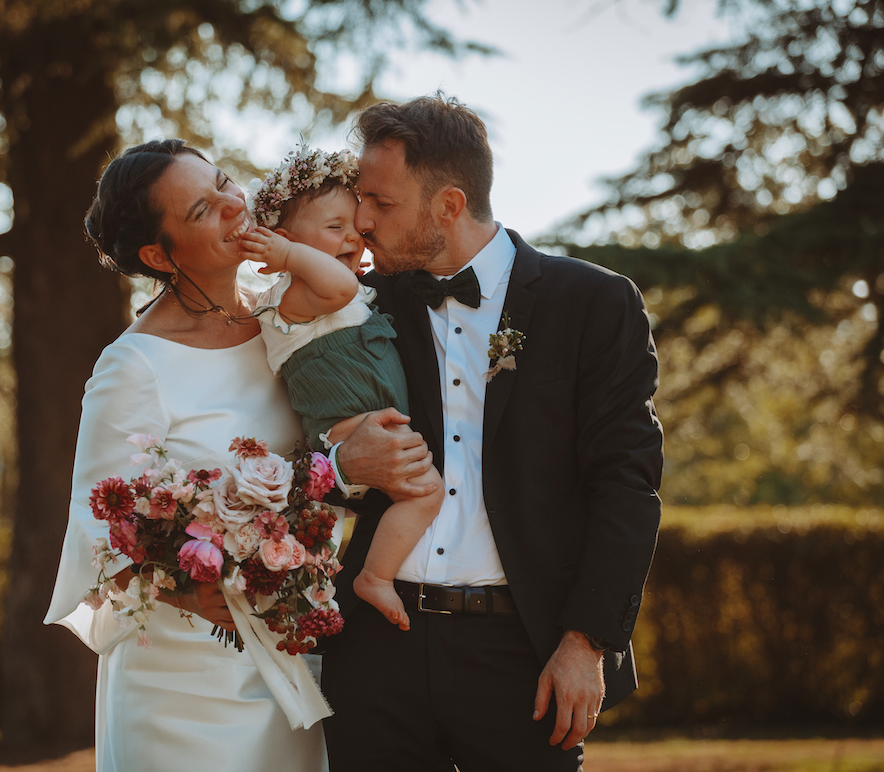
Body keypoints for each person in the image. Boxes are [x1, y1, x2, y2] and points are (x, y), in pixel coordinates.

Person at [321, 94, 665, 771]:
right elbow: (293, 425)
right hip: (376, 653)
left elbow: (625, 482)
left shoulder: (591, 303)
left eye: (380, 204)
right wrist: (337, 462)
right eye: (359, 199)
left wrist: (585, 642)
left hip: (523, 656)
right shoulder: (355, 306)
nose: (360, 221)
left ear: (448, 205)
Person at [43, 139, 329, 771]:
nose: (234, 204)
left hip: (290, 655)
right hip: (185, 684)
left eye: (225, 182)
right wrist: (194, 592)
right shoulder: (135, 365)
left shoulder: (286, 319)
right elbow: (101, 538)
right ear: (157, 254)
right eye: (202, 209)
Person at [237, 145, 444, 630]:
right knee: (426, 492)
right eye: (335, 229)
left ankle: (373, 572)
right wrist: (289, 257)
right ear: (284, 244)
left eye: (355, 226)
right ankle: (374, 575)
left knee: (420, 492)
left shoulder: (337, 287)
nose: (354, 236)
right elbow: (340, 289)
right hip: (349, 424)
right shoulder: (294, 293)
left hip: (367, 419)